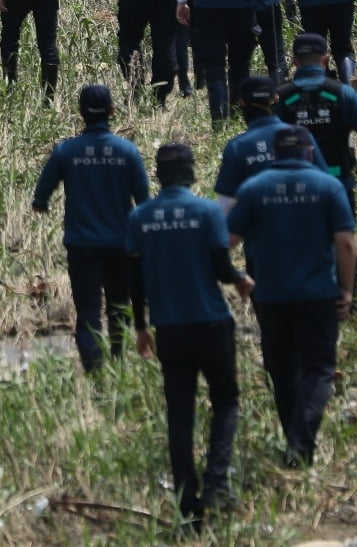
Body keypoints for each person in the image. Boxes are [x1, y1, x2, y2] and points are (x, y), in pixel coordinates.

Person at [128, 143, 253, 523]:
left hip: (169, 330)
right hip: (211, 323)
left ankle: (187, 501)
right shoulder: (205, 211)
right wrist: (241, 280)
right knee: (226, 402)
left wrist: (140, 327)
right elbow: (220, 268)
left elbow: (135, 280)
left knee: (180, 414)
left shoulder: (140, 217)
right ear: (191, 172)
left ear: (158, 174)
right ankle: (216, 483)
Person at [227, 126, 356, 467]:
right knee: (319, 368)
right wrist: (347, 289)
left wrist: (233, 275)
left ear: (275, 155)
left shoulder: (253, 189)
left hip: (269, 296)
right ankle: (300, 445)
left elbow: (228, 239)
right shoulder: (329, 186)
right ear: (309, 153)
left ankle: (295, 443)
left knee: (281, 370)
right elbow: (345, 243)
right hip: (318, 294)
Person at [32, 85, 150, 373]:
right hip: (121, 244)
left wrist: (43, 204)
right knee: (119, 307)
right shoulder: (127, 152)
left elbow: (40, 197)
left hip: (82, 244)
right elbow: (144, 202)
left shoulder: (66, 151)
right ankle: (118, 362)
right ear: (112, 112)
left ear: (80, 112)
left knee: (87, 310)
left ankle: (95, 371)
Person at [275, 33, 357, 309]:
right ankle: (348, 301)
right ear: (326, 59)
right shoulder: (342, 93)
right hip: (337, 180)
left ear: (295, 61)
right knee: (342, 239)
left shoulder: (281, 97)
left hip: (292, 186)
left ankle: (304, 302)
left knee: (296, 243)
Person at [213, 76, 327, 217]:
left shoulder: (237, 147)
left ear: (241, 101)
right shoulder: (303, 136)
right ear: (276, 98)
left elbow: (226, 205)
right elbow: (326, 183)